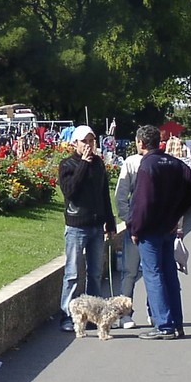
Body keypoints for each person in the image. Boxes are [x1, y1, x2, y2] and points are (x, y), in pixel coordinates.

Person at [129, 125, 191, 340]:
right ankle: (176, 323)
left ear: (141, 143)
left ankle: (164, 325)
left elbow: (142, 201)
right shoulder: (174, 162)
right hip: (168, 225)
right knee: (169, 274)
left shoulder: (147, 165)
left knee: (153, 275)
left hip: (150, 228)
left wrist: (136, 227)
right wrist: (178, 212)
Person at [58, 125, 117, 332]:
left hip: (96, 226)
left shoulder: (99, 164)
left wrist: (110, 222)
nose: (88, 145)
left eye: (91, 141)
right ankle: (67, 315)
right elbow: (70, 191)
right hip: (76, 225)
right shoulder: (67, 164)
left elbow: (103, 195)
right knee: (73, 273)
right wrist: (83, 163)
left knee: (94, 272)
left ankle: (94, 315)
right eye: (84, 141)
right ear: (75, 143)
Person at [114, 151, 144, 328]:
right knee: (153, 272)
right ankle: (154, 313)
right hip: (153, 225)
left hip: (136, 224)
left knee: (130, 271)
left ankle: (125, 315)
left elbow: (120, 194)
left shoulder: (131, 162)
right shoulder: (166, 161)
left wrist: (128, 219)